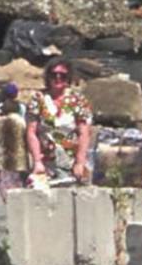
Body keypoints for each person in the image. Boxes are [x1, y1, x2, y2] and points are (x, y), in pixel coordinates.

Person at [26, 58, 93, 186]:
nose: (57, 78)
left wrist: (80, 162)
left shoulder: (78, 100)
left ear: (69, 77)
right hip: (46, 164)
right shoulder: (37, 99)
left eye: (62, 75)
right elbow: (31, 132)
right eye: (53, 74)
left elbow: (84, 133)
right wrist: (37, 161)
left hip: (72, 164)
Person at [0, 98, 28, 202]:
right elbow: (26, 137)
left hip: (1, 157)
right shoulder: (21, 121)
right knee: (18, 184)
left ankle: (7, 202)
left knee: (4, 184)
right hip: (18, 158)